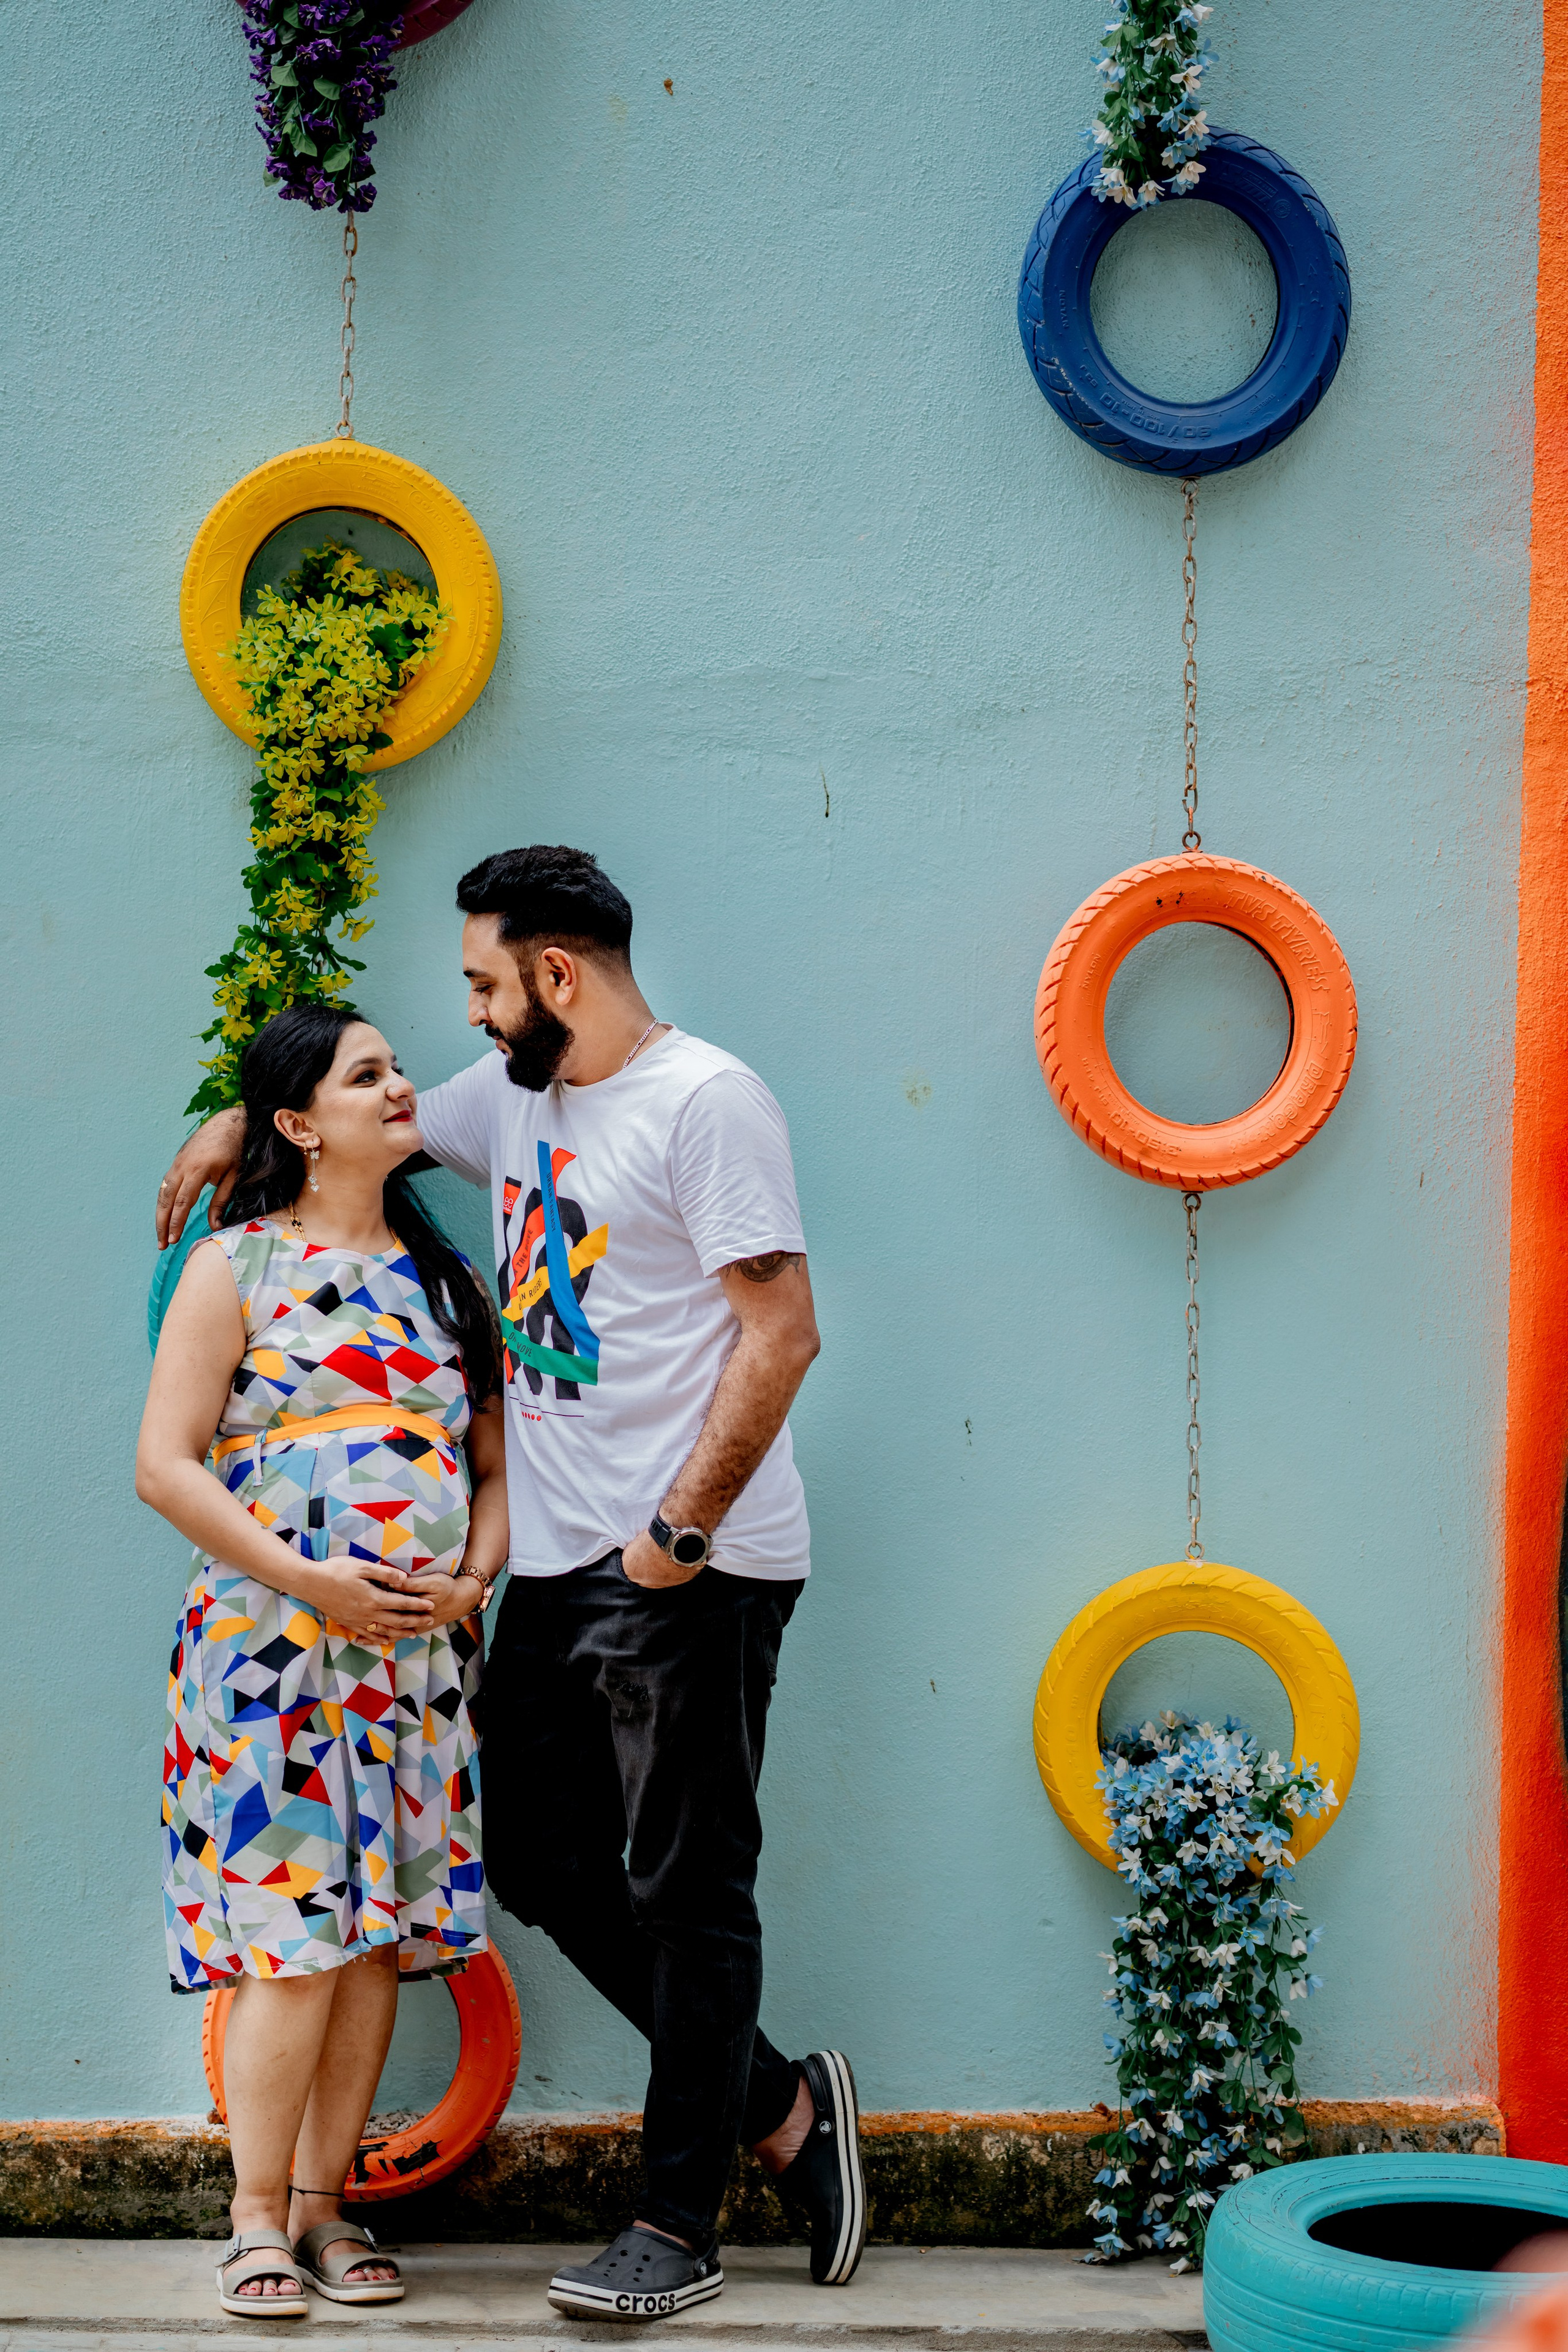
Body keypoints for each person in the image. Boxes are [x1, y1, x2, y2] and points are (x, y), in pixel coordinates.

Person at [157, 845, 864, 2321]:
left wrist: (676, 1534)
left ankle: (678, 2224)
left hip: (688, 1565)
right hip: (546, 1576)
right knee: (539, 1867)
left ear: (555, 974)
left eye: (484, 983)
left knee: (688, 1887)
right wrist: (241, 1122)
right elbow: (349, 1136)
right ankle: (782, 2106)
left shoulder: (704, 1101)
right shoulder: (512, 1097)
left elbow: (781, 1333)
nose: (465, 1021)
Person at [140, 1005, 508, 2320]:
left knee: (371, 1948)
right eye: (368, 1076)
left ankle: (325, 2209)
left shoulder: (446, 1278)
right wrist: (307, 1582)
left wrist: (471, 1582)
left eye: (398, 1067)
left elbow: (494, 1464)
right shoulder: (234, 1267)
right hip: (268, 1663)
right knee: (291, 1943)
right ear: (299, 1124)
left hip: (412, 1671)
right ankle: (250, 2218)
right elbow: (164, 1464)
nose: (402, 1085)